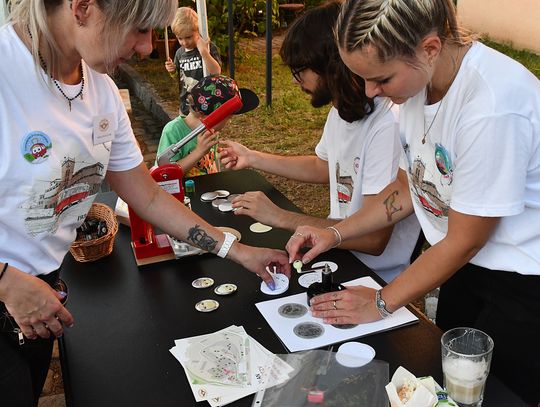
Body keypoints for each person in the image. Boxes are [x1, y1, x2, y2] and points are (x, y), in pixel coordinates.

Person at [0, 1, 289, 405]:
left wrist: (238, 251)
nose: (147, 48)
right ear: (83, 8)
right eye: (139, 29)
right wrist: (7, 282)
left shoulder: (100, 91)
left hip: (37, 297)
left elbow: (148, 195)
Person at [285, 0, 540, 404]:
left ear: (430, 48)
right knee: (450, 386)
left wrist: (381, 302)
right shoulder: (418, 86)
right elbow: (407, 189)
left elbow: (466, 240)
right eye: (362, 78)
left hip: (521, 282)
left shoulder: (490, 107)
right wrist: (335, 233)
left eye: (381, 78)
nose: (370, 92)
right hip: (462, 265)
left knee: (497, 394)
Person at [219, 1, 421, 283]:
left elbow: (373, 239)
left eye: (299, 70)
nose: (295, 81)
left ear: (331, 65)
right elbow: (324, 166)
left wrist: (280, 217)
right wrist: (253, 157)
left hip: (376, 277)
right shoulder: (342, 110)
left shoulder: (387, 124)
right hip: (341, 255)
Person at [157, 74, 259, 177]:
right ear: (211, 117)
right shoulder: (173, 130)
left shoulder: (209, 130)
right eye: (229, 118)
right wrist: (199, 152)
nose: (230, 122)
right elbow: (165, 174)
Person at [164, 7, 221, 116]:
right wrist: (172, 71)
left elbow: (216, 72)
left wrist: (204, 52)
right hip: (186, 105)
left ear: (197, 31)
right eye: (180, 38)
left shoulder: (208, 48)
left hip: (207, 104)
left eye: (188, 37)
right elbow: (178, 78)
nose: (185, 42)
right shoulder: (179, 53)